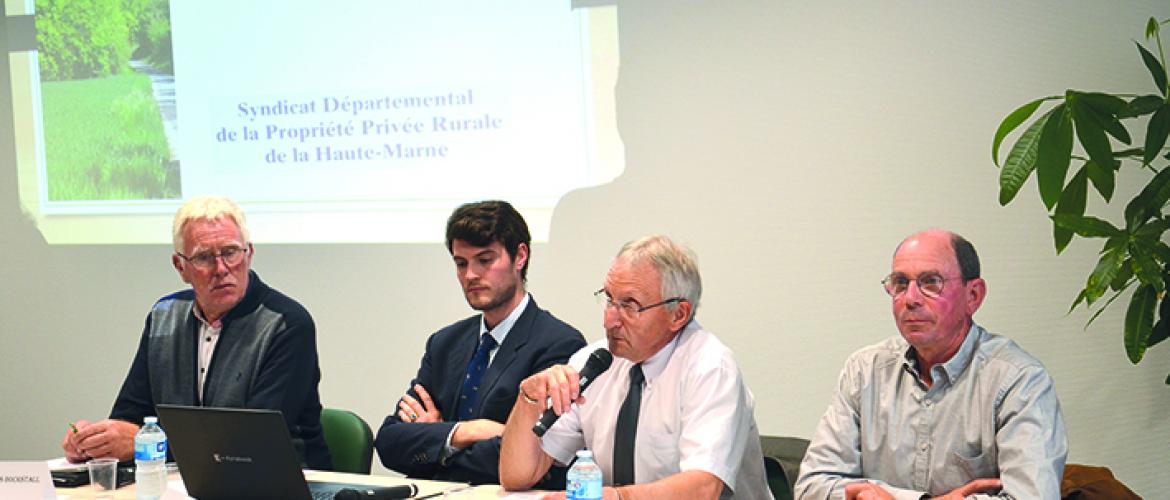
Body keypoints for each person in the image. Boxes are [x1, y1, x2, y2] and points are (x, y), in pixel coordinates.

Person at [61, 196, 331, 469]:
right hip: (182, 482)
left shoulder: (286, 323)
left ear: (249, 254)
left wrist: (148, 443)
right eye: (204, 257)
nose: (221, 269)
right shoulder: (163, 317)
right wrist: (97, 441)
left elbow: (252, 442)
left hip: (279, 483)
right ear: (181, 267)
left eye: (230, 252)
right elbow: (130, 416)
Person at [795, 230, 1067, 500]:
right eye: (900, 282)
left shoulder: (1019, 381)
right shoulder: (865, 371)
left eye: (930, 282)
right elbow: (811, 488)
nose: (910, 298)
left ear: (973, 296)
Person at [500, 235, 772, 500]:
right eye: (609, 300)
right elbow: (518, 476)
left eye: (629, 306)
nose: (610, 320)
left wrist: (616, 498)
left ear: (678, 315)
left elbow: (702, 489)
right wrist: (529, 398)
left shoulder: (710, 368)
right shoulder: (592, 362)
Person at [374, 200, 586, 486]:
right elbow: (389, 442)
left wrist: (438, 439)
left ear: (520, 256)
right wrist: (467, 432)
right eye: (461, 263)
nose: (470, 275)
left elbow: (527, 456)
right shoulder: (444, 343)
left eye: (485, 260)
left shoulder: (559, 344)